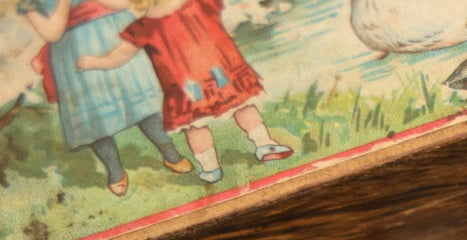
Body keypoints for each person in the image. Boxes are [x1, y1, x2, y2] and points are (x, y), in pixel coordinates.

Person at [77, 0, 292, 184]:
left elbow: (119, 56)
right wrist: (97, 61)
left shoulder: (151, 23)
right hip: (217, 77)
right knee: (239, 110)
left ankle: (214, 167)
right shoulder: (195, 5)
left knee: (204, 124)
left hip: (198, 86)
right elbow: (120, 55)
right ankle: (257, 148)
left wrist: (97, 61)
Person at [21, 0, 191, 196]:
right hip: (72, 52)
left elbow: (124, 3)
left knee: (141, 104)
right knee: (97, 118)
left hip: (113, 33)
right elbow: (53, 33)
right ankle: (115, 171)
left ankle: (171, 154)